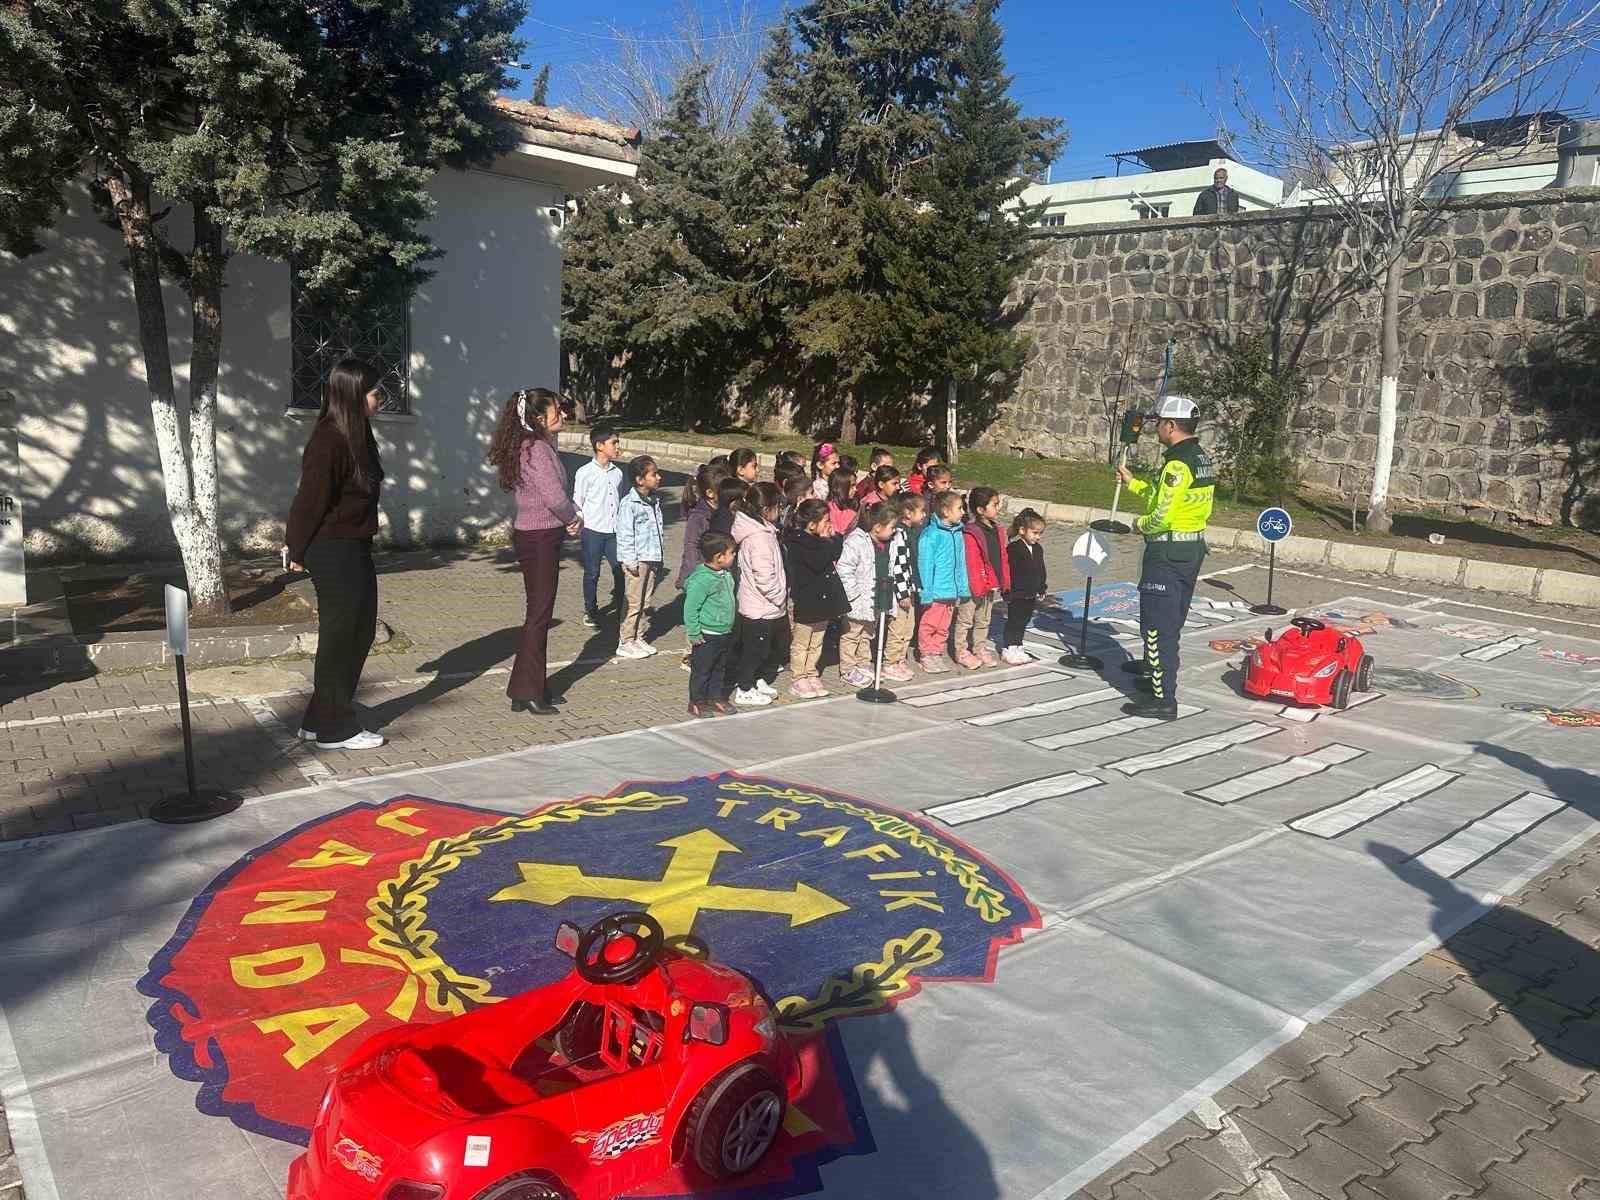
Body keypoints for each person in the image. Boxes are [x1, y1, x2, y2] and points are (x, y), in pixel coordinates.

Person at [283, 357, 387, 750]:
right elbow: (310, 499)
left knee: (357, 631)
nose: (381, 399)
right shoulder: (329, 440)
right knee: (344, 635)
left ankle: (316, 719)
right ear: (354, 395)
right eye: (375, 393)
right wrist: (296, 547)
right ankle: (335, 728)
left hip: (353, 544)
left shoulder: (356, 433)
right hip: (332, 548)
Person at [1117, 395, 1215, 719]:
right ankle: (1153, 674)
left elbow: (1161, 515)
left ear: (1171, 425)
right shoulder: (1199, 457)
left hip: (1167, 553)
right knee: (1170, 621)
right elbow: (1165, 497)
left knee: (1158, 626)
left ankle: (1163, 699)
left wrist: (1139, 525)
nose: (1156, 427)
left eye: (1159, 422)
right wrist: (1133, 484)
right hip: (1189, 550)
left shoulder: (1177, 464)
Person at [485, 386, 580, 716]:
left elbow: (551, 494)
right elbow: (554, 498)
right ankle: (527, 691)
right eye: (557, 409)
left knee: (539, 614)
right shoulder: (536, 448)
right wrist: (572, 518)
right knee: (539, 616)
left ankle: (530, 686)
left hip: (540, 536)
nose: (563, 413)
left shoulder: (537, 445)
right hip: (539, 538)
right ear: (539, 417)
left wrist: (570, 513)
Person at [731, 481, 789, 706]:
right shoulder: (759, 538)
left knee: (767, 649)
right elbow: (764, 577)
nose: (781, 511)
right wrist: (780, 596)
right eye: (778, 506)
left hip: (766, 605)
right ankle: (744, 688)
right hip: (760, 606)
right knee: (754, 651)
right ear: (766, 509)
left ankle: (757, 680)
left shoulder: (765, 531)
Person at [784, 498, 847, 698]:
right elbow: (818, 561)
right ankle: (798, 676)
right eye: (825, 520)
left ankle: (811, 672)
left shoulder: (821, 541)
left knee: (817, 641)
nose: (829, 524)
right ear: (811, 524)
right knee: (802, 642)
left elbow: (835, 553)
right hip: (807, 600)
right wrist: (826, 540)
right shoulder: (798, 542)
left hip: (823, 600)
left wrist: (834, 537)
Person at [571, 423, 624, 628]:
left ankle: (622, 610)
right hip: (592, 531)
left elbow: (618, 500)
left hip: (614, 532)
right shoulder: (584, 472)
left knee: (620, 570)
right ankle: (590, 610)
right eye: (614, 443)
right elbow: (578, 501)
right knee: (592, 573)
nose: (617, 446)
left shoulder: (618, 473)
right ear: (600, 446)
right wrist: (577, 523)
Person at [838, 502, 897, 687]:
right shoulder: (856, 541)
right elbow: (844, 569)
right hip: (857, 601)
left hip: (875, 599)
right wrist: (853, 594)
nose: (894, 531)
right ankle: (847, 669)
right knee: (852, 635)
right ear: (878, 527)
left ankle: (863, 663)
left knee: (868, 634)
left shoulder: (886, 544)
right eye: (891, 527)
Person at [616, 455, 665, 660]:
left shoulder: (654, 500)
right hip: (637, 560)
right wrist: (630, 561)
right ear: (640, 479)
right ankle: (625, 640)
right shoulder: (629, 504)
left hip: (652, 557)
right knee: (634, 602)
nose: (659, 477)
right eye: (654, 474)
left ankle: (638, 636)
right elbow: (625, 534)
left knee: (645, 601)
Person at [684, 531, 737, 718]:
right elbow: (691, 608)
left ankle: (715, 697)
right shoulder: (702, 579)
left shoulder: (725, 574)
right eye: (731, 553)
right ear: (719, 557)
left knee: (719, 668)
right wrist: (693, 632)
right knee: (702, 670)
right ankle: (696, 701)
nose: (734, 556)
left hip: (724, 632)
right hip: (707, 635)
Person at [916, 491, 970, 673]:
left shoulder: (958, 533)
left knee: (943, 626)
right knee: (929, 624)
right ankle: (926, 654)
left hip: (951, 591)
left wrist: (963, 587)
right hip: (936, 592)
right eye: (959, 508)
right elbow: (925, 565)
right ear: (946, 511)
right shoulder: (931, 535)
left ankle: (936, 652)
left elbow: (961, 563)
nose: (963, 512)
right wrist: (926, 592)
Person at [954, 486, 1008, 669]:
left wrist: (1003, 580)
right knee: (965, 619)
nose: (998, 507)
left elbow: (1002, 557)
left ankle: (979, 647)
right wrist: (979, 586)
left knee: (984, 618)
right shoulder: (971, 532)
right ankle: (961, 650)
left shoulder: (997, 529)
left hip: (990, 584)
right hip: (973, 586)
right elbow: (972, 563)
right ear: (980, 509)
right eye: (994, 504)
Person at [882, 492, 924, 681]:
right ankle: (890, 662)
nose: (924, 515)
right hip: (901, 591)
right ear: (907, 512)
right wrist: (902, 593)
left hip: (909, 588)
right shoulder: (898, 534)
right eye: (921, 511)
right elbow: (898, 567)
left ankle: (900, 658)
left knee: (908, 627)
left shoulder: (909, 532)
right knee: (898, 628)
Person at [1002, 508, 1049, 664]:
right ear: (1022, 530)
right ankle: (1009, 647)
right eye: (1034, 533)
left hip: (1031, 593)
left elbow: (1041, 570)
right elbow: (1007, 572)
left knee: (1024, 620)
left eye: (1040, 533)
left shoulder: (1038, 549)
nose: (1038, 537)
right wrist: (1006, 591)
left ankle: (1018, 645)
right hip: (1016, 593)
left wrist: (1042, 587)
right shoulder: (1014, 549)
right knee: (1014, 620)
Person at [826, 468, 859, 535]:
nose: (855, 489)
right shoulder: (828, 510)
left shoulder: (854, 505)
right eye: (852, 486)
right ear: (840, 487)